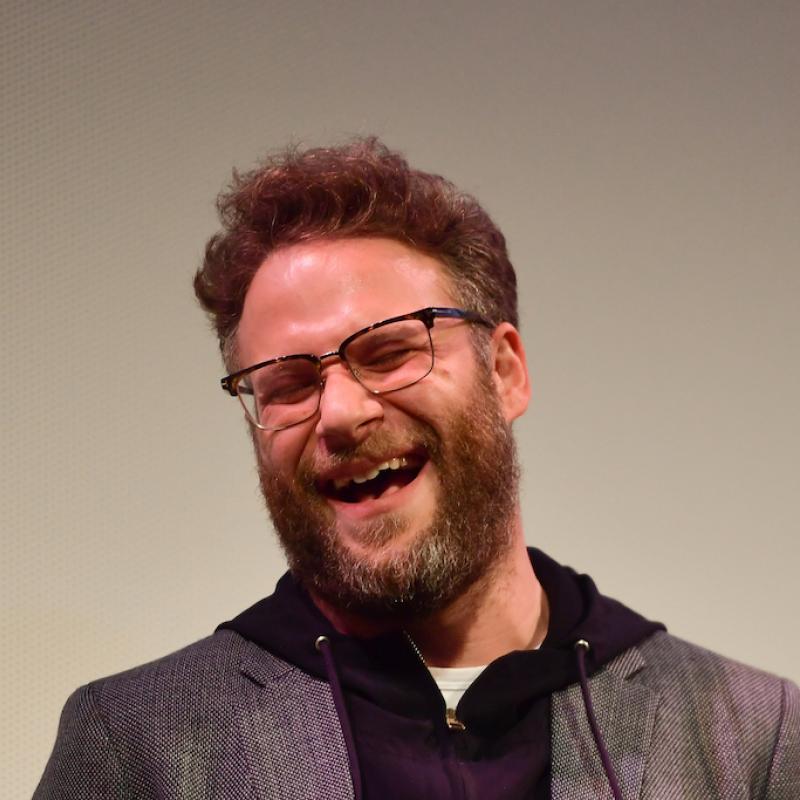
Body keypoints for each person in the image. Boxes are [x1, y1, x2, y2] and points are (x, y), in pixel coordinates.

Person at [35, 138, 798, 799]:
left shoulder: (752, 739)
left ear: (505, 372)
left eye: (391, 351)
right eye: (290, 383)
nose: (338, 414)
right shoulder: (139, 746)